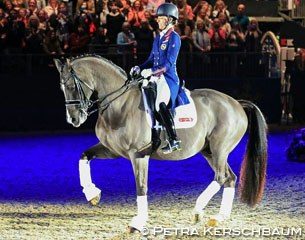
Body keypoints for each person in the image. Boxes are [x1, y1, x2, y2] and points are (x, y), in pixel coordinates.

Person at [130, 3, 184, 154]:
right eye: (158, 18)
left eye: (161, 18)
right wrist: (139, 68)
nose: (158, 21)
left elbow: (168, 64)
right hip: (156, 78)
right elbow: (150, 59)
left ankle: (174, 140)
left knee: (160, 104)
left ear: (170, 20)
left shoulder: (174, 37)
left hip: (168, 79)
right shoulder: (158, 37)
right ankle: (154, 135)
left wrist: (151, 71)